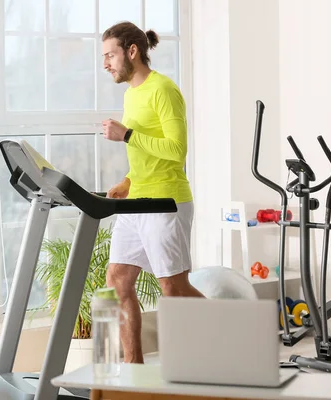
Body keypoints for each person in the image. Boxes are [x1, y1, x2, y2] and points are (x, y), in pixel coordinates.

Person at [101, 21, 205, 364]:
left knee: (172, 288)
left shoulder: (164, 89)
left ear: (132, 51)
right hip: (137, 201)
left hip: (166, 201)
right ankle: (134, 369)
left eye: (110, 55)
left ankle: (234, 334)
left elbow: (176, 150)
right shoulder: (131, 93)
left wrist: (127, 135)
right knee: (117, 280)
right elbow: (148, 153)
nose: (106, 64)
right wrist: (127, 181)